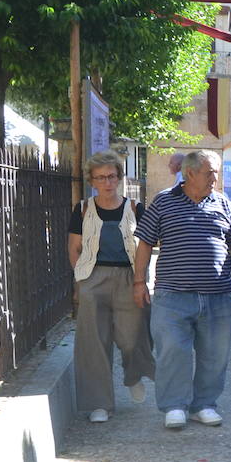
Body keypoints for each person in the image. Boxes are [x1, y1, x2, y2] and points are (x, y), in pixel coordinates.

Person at [133, 150, 231, 429]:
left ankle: (204, 405)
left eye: (217, 172)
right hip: (172, 295)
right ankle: (174, 406)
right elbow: (144, 244)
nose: (216, 178)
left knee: (215, 353)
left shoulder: (223, 203)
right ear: (189, 173)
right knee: (172, 350)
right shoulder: (163, 201)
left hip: (219, 295)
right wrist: (140, 282)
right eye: (210, 172)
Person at [68, 149, 155, 422]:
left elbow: (146, 245)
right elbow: (74, 247)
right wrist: (80, 280)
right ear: (92, 181)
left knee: (132, 337)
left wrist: (143, 279)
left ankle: (133, 375)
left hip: (129, 278)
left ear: (119, 178)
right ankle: (99, 403)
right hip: (93, 278)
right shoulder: (83, 209)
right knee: (93, 342)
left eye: (112, 176)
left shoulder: (135, 208)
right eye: (101, 178)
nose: (107, 182)